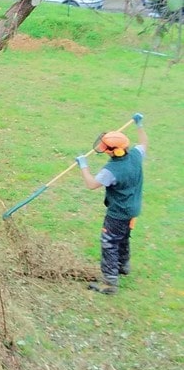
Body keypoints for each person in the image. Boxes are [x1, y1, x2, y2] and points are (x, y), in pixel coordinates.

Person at [75, 113, 147, 295]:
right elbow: (144, 144)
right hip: (133, 210)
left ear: (115, 151)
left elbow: (91, 184)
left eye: (105, 148)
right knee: (123, 237)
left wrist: (83, 166)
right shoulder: (136, 156)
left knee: (109, 242)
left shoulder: (111, 170)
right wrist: (139, 126)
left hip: (118, 213)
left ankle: (110, 283)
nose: (103, 149)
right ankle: (123, 265)